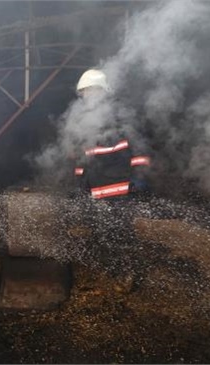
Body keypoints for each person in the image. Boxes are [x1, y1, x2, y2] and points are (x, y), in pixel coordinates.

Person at [71, 69, 152, 290]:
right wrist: (80, 184)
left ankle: (129, 275)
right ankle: (112, 274)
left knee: (121, 232)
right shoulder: (85, 121)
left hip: (119, 187)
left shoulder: (121, 114)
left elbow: (139, 147)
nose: (88, 96)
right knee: (102, 233)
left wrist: (139, 176)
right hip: (97, 188)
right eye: (85, 92)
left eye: (92, 91)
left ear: (103, 91)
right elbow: (83, 157)